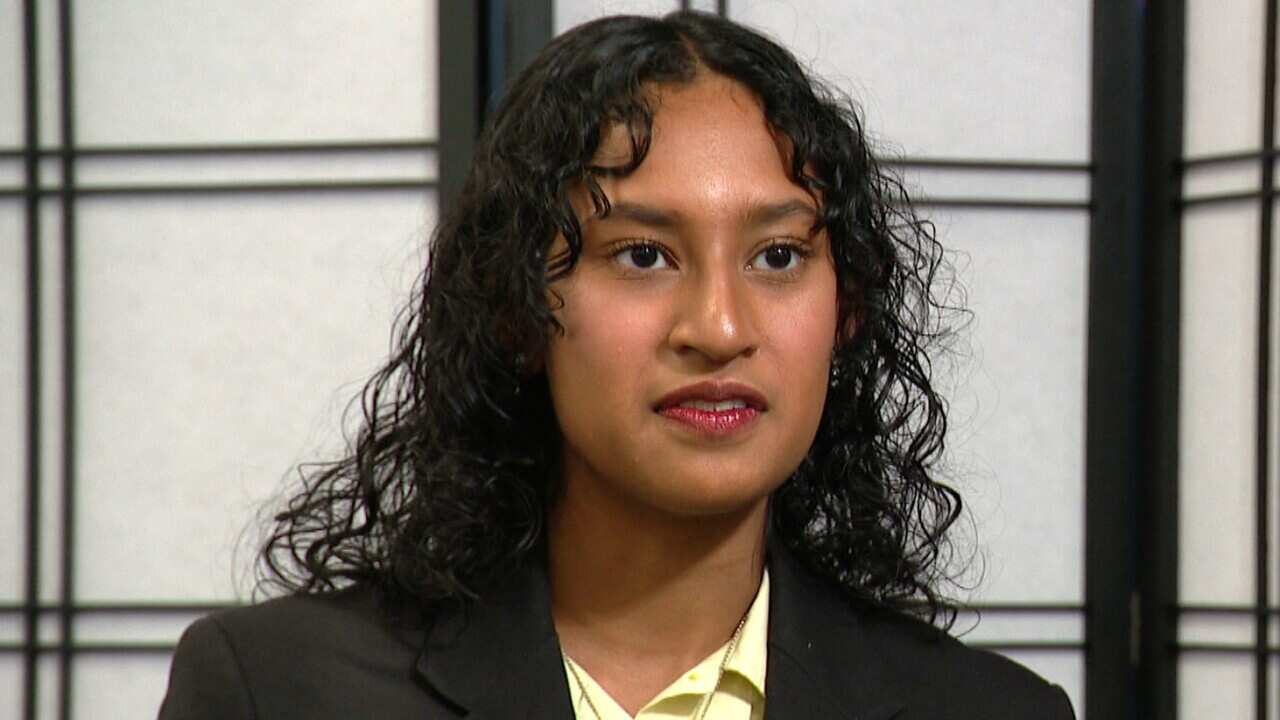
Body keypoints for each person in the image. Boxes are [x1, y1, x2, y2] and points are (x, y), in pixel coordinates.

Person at [159, 10, 1074, 720]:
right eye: (642, 255)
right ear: (519, 309)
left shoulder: (994, 712)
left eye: (779, 257)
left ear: (848, 313)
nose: (718, 327)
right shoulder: (278, 692)